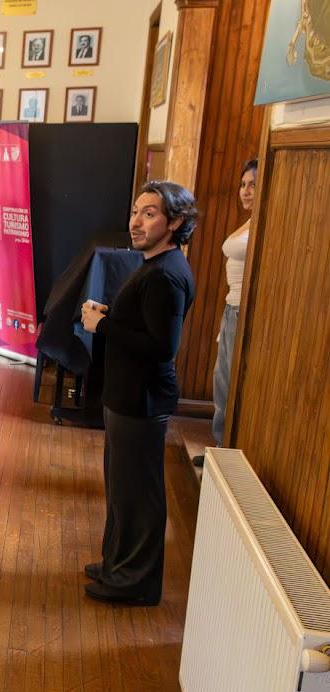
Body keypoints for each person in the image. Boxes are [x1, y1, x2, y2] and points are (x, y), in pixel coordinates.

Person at [80, 180, 197, 606]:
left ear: (175, 222)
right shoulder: (155, 264)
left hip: (141, 399)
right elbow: (145, 323)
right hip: (127, 394)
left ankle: (135, 582)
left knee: (138, 496)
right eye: (135, 212)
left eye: (149, 214)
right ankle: (117, 564)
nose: (136, 222)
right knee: (121, 489)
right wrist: (111, 314)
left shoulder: (166, 274)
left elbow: (162, 347)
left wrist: (103, 326)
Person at [198, 159, 256, 465]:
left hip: (242, 310)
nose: (245, 191)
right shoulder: (250, 221)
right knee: (221, 380)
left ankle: (225, 452)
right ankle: (220, 448)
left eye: (253, 185)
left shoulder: (266, 221)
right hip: (231, 307)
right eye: (243, 184)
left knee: (230, 383)